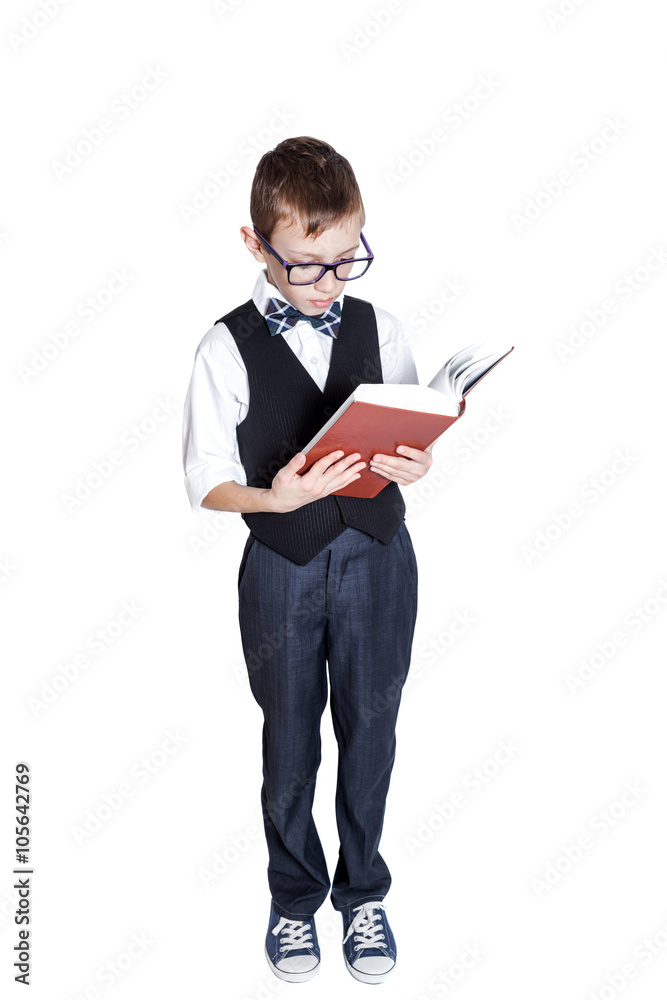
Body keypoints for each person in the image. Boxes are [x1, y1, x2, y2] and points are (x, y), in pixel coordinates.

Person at [182, 136, 433, 985]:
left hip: (377, 556)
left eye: (344, 260)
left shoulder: (379, 325)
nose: (328, 284)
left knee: (373, 732)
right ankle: (294, 905)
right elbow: (206, 482)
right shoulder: (224, 347)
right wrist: (273, 500)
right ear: (256, 246)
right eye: (306, 266)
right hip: (281, 566)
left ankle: (362, 895)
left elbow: (401, 428)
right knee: (289, 741)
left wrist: (417, 460)